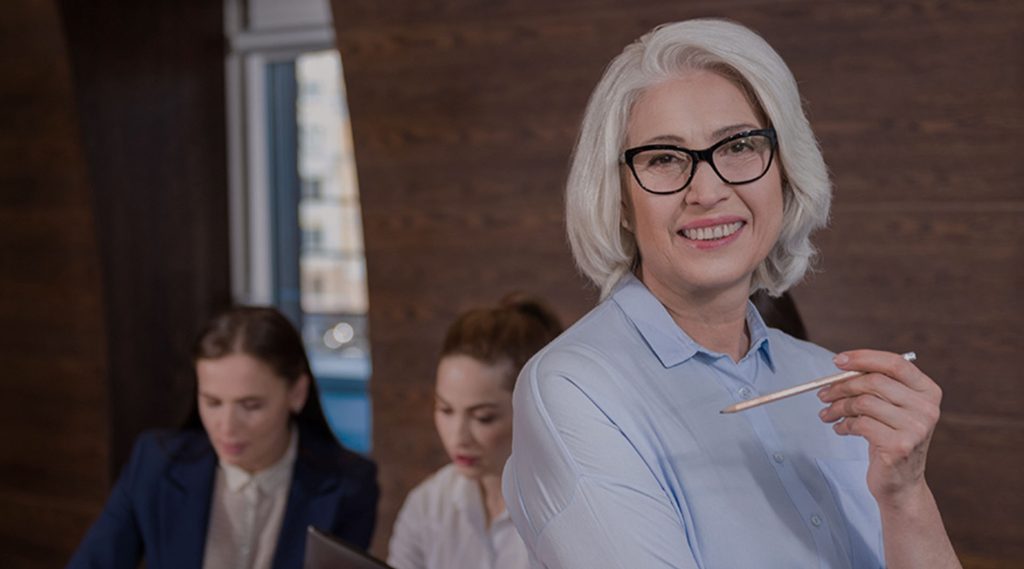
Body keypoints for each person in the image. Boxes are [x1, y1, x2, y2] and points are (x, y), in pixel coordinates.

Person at [502, 19, 960, 569]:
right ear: (620, 198)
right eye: (664, 158)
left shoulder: (830, 382)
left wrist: (906, 495)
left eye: (739, 145)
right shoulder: (574, 389)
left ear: (785, 171)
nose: (709, 190)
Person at [68, 306, 379, 569]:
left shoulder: (349, 486)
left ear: (296, 393)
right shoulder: (155, 463)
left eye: (251, 405)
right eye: (213, 402)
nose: (226, 427)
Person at [388, 294, 563, 569]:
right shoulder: (429, 503)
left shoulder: (564, 514)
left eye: (483, 418)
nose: (458, 437)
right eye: (445, 410)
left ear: (531, 411)